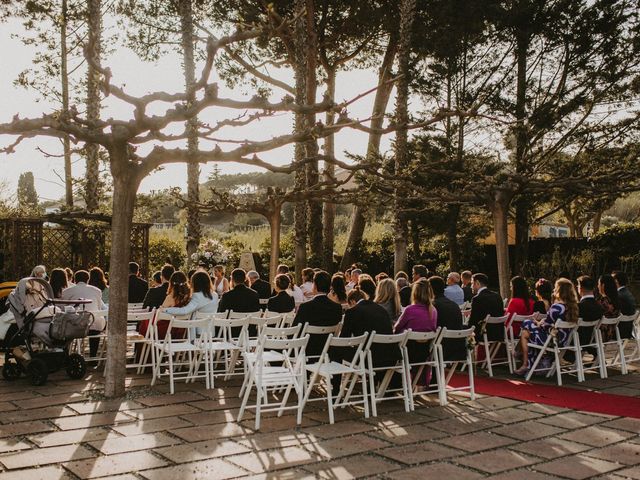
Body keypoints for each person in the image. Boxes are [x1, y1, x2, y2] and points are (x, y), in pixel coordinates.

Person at [516, 278, 579, 375]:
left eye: (555, 288)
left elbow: (546, 327)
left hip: (551, 341)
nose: (554, 290)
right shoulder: (573, 307)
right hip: (563, 341)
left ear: (559, 290)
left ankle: (525, 362)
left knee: (527, 323)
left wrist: (538, 323)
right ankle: (526, 364)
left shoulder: (557, 307)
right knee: (525, 333)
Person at [394, 278, 438, 385]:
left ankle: (394, 384)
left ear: (414, 293)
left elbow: (396, 329)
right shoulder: (433, 311)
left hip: (407, 353)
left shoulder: (410, 310)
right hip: (424, 352)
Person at [293, 270, 343, 358]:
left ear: (314, 286)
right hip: (326, 351)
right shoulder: (337, 307)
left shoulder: (306, 307)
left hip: (305, 351)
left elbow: (295, 331)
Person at [61, 270, 107, 357]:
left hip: (76, 325)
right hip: (94, 323)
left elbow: (64, 308)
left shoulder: (67, 291)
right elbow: (99, 306)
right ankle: (93, 355)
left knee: (66, 322)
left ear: (75, 280)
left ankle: (66, 354)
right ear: (88, 279)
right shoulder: (97, 291)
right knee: (95, 324)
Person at [428, 276, 465, 361]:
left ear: (429, 289)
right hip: (458, 348)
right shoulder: (454, 305)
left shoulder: (432, 306)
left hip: (440, 349)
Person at [468, 273, 504, 338]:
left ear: (477, 283)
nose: (471, 286)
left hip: (485, 334)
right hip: (499, 334)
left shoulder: (477, 299)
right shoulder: (497, 296)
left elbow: (472, 322)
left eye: (472, 283)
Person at [612, 270, 637, 338]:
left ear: (616, 281)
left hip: (620, 332)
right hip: (629, 329)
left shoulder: (619, 295)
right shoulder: (628, 293)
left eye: (611, 280)